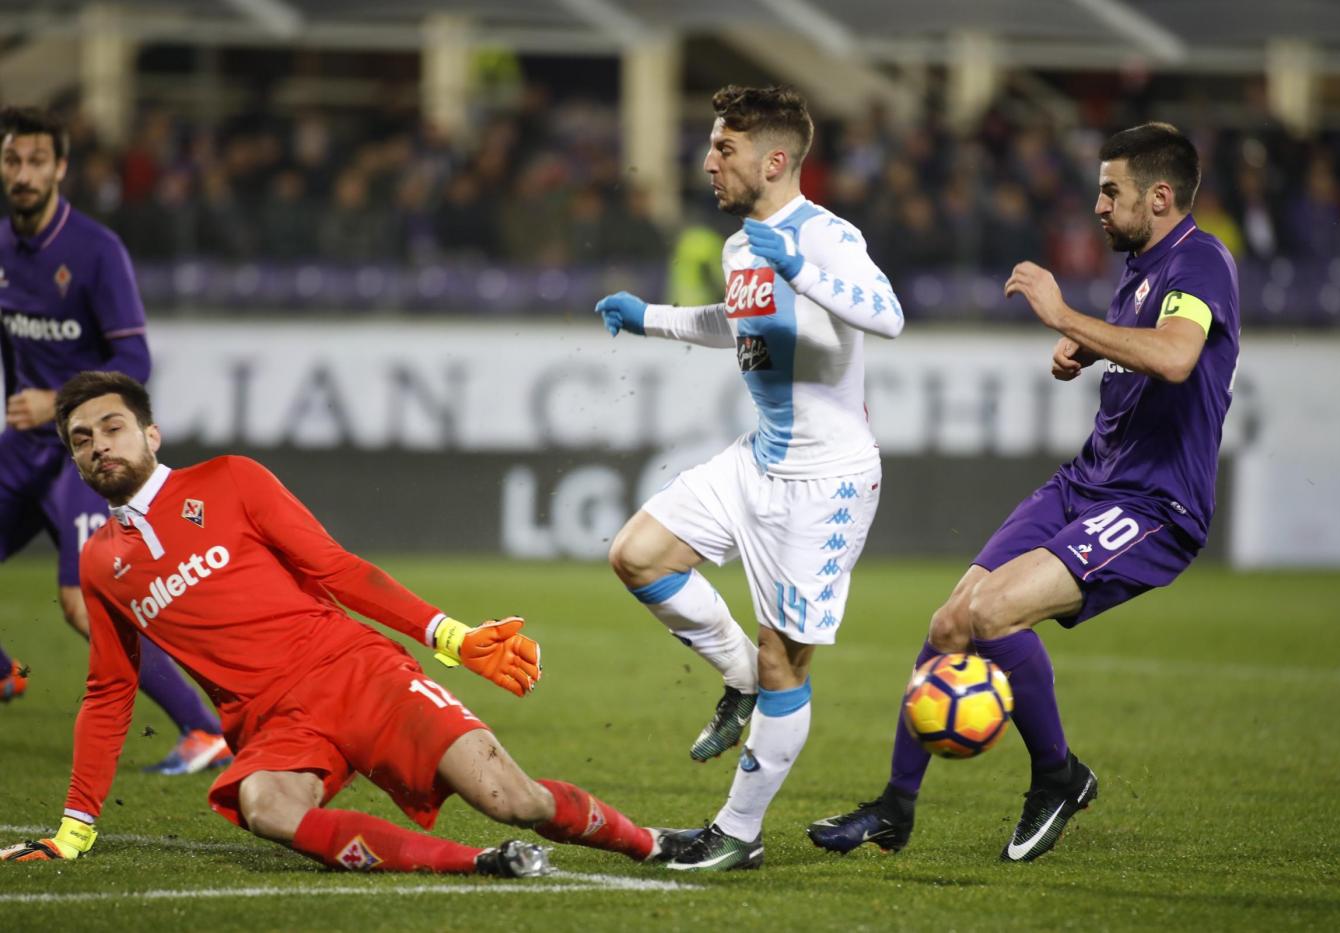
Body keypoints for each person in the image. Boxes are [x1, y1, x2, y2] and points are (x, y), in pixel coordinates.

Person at [0, 371, 688, 875]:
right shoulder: (99, 563)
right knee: (265, 803)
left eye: (112, 427)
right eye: (81, 439)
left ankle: (652, 841)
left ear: (151, 433)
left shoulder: (230, 480)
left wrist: (448, 635)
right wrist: (74, 827)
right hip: (274, 724)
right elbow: (109, 691)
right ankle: (481, 863)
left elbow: (336, 568)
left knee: (514, 796)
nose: (98, 446)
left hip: (356, 671)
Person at [808, 122, 1240, 862]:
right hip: (1088, 479)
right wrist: (1093, 344)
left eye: (1113, 192)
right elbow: (1147, 346)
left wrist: (1065, 315)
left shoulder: (1200, 260)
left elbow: (1174, 357)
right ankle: (895, 807)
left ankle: (1058, 775)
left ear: (1160, 196)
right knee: (950, 622)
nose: (1098, 205)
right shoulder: (1141, 269)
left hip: (1152, 504)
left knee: (996, 611)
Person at [594, 85, 904, 871]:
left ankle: (736, 831)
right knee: (637, 553)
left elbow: (887, 313)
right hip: (758, 458)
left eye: (723, 149)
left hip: (826, 480)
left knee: (785, 664)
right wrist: (650, 317)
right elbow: (734, 323)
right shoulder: (740, 245)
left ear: (773, 160)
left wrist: (802, 266)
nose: (708, 162)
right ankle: (735, 679)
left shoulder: (828, 235)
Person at [0, 106, 229, 774]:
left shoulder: (96, 252)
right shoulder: (3, 250)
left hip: (79, 453)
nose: (24, 173)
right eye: (13, 160)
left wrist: (57, 401)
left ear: (61, 168)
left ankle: (204, 728)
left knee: (84, 604)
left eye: (38, 161)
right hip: (22, 450)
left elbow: (135, 363)